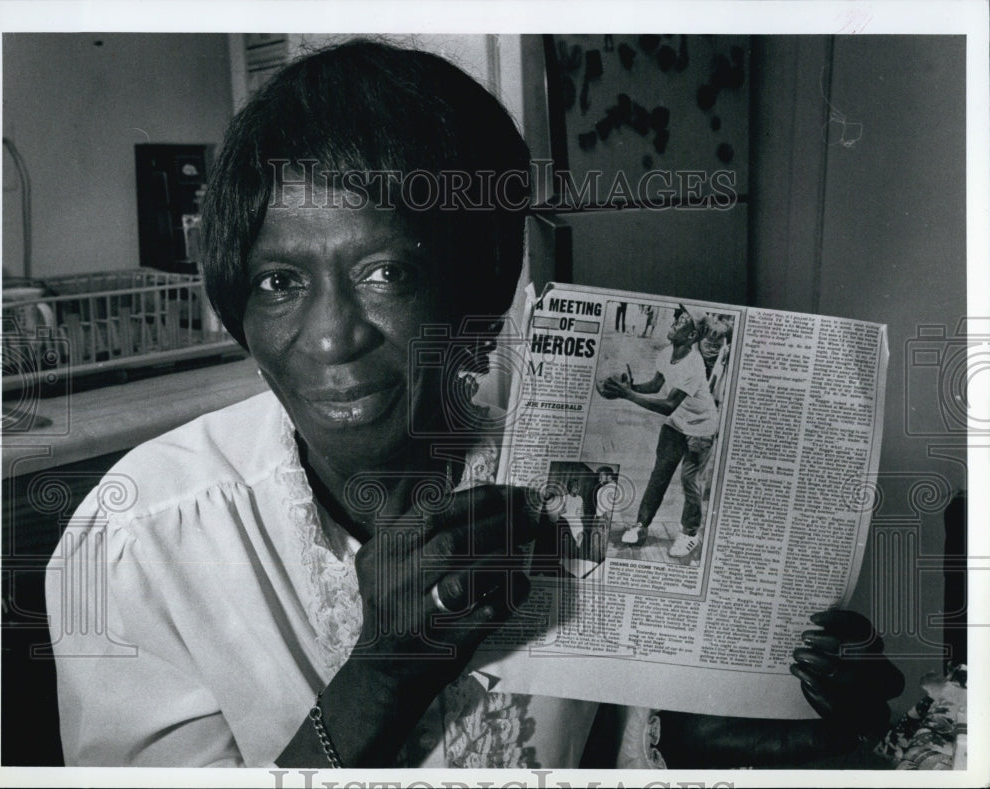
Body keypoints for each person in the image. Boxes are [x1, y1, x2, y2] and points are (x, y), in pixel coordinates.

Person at [45, 39, 902, 769]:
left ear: (483, 288)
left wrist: (767, 718)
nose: (334, 336)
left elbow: (643, 735)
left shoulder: (578, 456)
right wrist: (385, 671)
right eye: (279, 281)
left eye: (387, 272)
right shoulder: (139, 541)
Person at [600, 305, 719, 557]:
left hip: (701, 427)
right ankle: (641, 525)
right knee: (659, 474)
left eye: (683, 321)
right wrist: (630, 386)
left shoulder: (694, 364)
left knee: (690, 480)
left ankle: (689, 534)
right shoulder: (667, 353)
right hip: (677, 423)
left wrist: (627, 395)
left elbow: (668, 405)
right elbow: (655, 386)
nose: (675, 322)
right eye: (677, 318)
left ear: (692, 336)